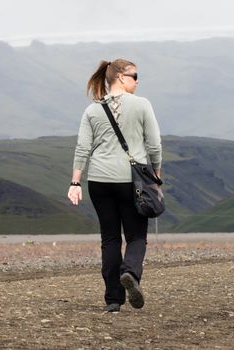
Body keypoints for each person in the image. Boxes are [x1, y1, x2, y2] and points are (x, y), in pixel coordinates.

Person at [67, 59, 162, 313]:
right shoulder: (142, 105)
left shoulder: (92, 110)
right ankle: (130, 272)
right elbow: (154, 146)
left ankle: (113, 300)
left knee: (109, 238)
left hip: (98, 181)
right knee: (136, 236)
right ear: (120, 77)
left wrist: (75, 181)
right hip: (131, 181)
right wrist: (156, 178)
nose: (137, 81)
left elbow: (82, 149)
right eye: (134, 75)